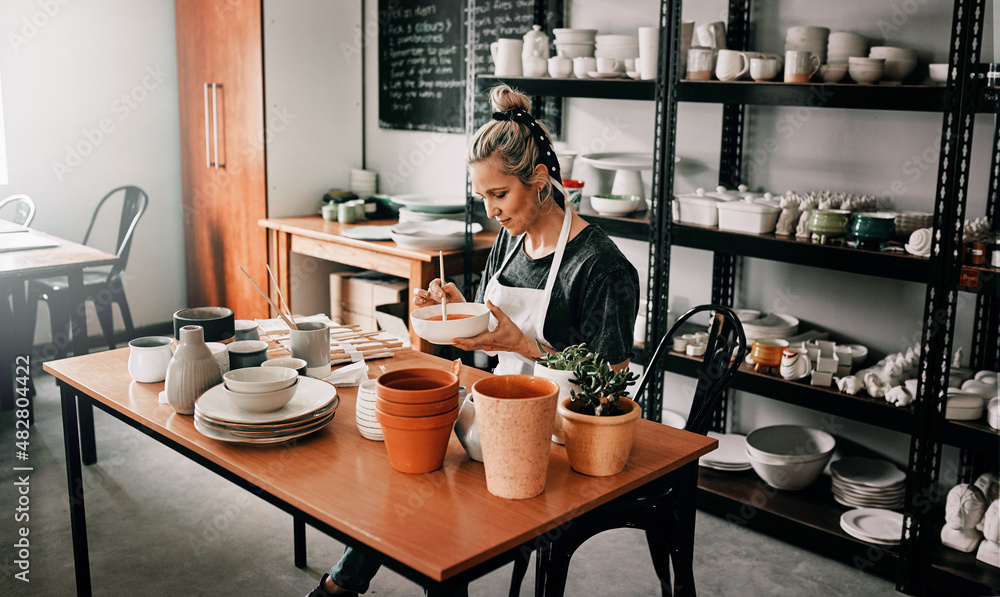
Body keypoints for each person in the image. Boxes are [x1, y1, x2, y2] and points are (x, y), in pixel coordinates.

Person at [306, 84, 640, 597]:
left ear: (541, 181)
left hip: (562, 439)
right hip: (497, 407)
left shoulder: (601, 266)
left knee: (431, 490)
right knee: (411, 459)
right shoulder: (512, 238)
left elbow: (610, 389)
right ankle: (343, 583)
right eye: (482, 196)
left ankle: (363, 586)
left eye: (500, 195)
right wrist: (454, 310)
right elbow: (490, 322)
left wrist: (529, 348)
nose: (491, 212)